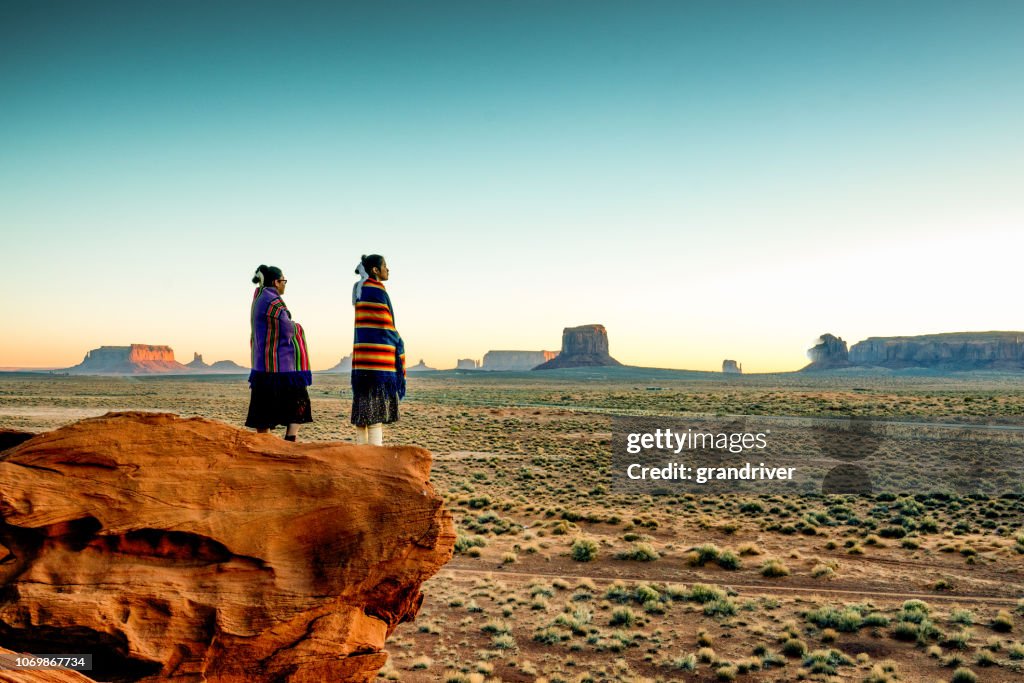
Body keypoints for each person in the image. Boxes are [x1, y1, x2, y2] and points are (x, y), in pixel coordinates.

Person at [246, 264, 313, 440]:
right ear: (276, 282)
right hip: (280, 365)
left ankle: (265, 443)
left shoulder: (258, 298)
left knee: (263, 409)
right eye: (283, 281)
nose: (285, 284)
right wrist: (298, 327)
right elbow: (287, 329)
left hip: (262, 364)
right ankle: (290, 440)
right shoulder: (272, 301)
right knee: (298, 401)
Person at [351, 254, 405, 445]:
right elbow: (384, 325)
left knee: (363, 407)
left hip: (362, 361)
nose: (387, 269)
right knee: (375, 412)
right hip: (377, 363)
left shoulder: (361, 289)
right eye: (384, 266)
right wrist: (398, 340)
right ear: (375, 270)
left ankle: (361, 454)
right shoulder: (376, 291)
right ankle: (374, 455)